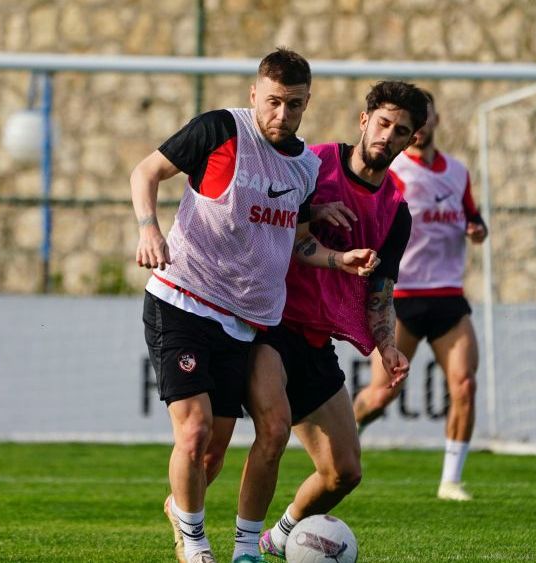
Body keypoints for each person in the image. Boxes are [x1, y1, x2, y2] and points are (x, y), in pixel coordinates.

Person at [130, 48, 380, 563]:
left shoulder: (306, 168)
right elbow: (145, 172)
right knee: (195, 431)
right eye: (273, 102)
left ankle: (219, 530)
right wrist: (148, 228)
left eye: (293, 105)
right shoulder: (219, 130)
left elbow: (295, 242)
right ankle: (194, 542)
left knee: (214, 451)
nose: (282, 115)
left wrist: (336, 260)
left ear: (307, 103)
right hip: (182, 298)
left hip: (243, 323)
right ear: (253, 95)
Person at [231, 81, 429, 562]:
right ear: (364, 121)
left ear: (410, 141)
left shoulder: (396, 213)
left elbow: (381, 293)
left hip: (316, 343)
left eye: (401, 130)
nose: (388, 135)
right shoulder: (311, 165)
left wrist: (387, 346)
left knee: (345, 471)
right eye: (382, 123)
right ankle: (243, 552)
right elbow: (276, 234)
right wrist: (335, 254)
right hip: (270, 325)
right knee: (273, 431)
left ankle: (279, 536)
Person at [352, 90, 488, 502]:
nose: (420, 126)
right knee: (381, 395)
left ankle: (451, 481)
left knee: (464, 385)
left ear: (434, 121)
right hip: (402, 296)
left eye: (424, 118)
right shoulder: (393, 174)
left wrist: (476, 228)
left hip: (447, 296)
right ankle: (347, 429)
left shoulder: (458, 172)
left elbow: (471, 215)